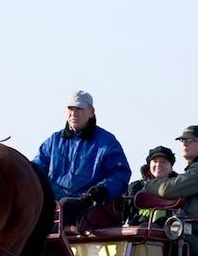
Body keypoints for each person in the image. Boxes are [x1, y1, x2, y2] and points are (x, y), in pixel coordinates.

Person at [33, 90, 131, 227]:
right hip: (53, 204)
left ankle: (46, 246)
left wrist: (102, 190)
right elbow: (35, 170)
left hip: (88, 205)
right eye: (70, 108)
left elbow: (120, 175)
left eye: (79, 108)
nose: (73, 113)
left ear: (91, 112)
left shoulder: (106, 142)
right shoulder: (53, 141)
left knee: (64, 206)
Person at [142, 125, 198, 256]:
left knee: (152, 234)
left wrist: (149, 184)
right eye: (183, 141)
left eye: (191, 141)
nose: (185, 144)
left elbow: (167, 189)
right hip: (194, 235)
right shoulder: (197, 169)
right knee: (148, 228)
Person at [125, 145, 178, 226]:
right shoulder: (136, 187)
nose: (159, 165)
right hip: (137, 232)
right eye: (155, 161)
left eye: (164, 162)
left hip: (169, 233)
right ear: (149, 165)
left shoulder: (179, 188)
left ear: (171, 167)